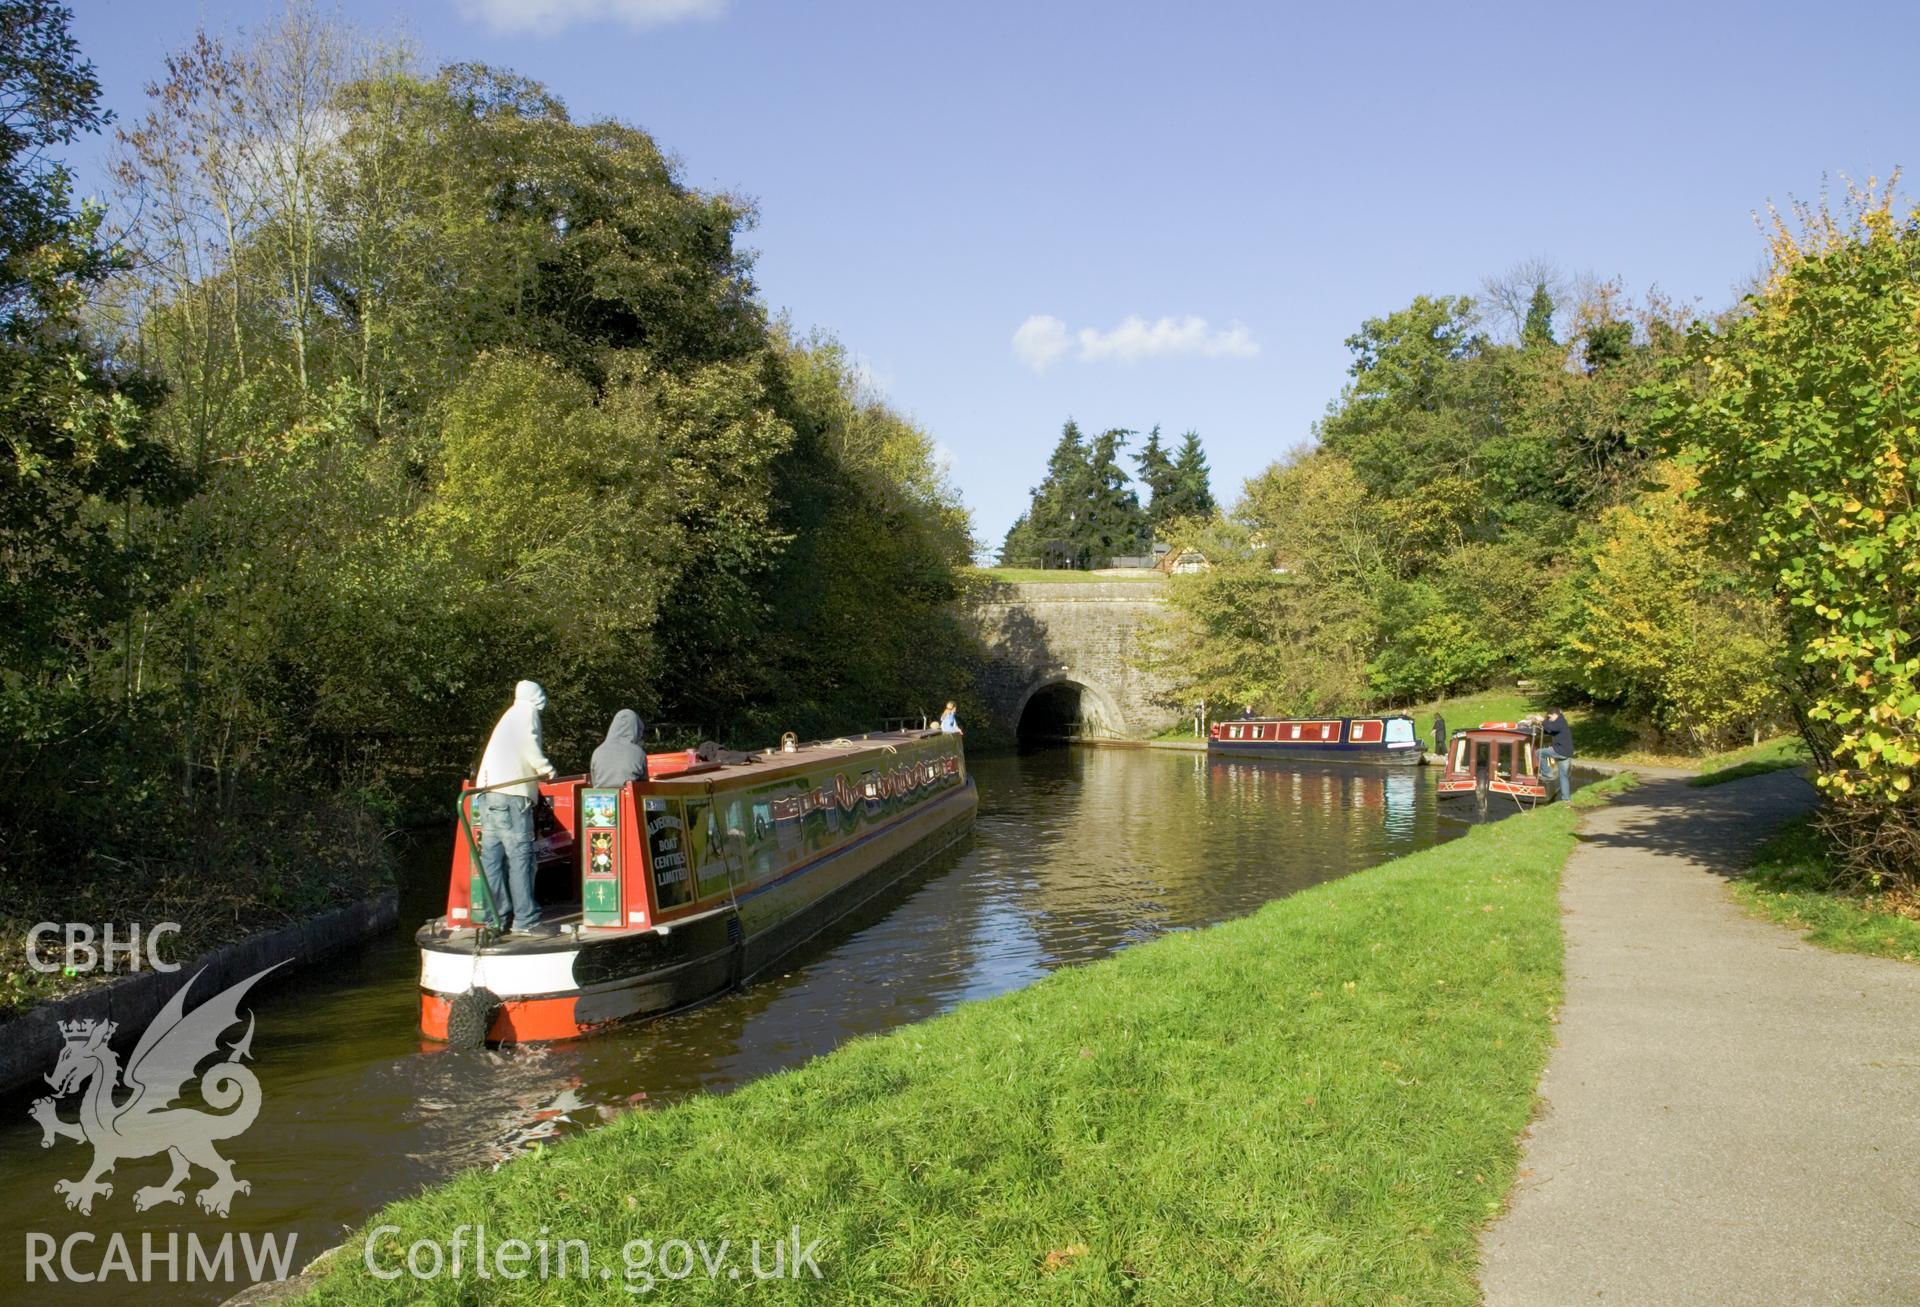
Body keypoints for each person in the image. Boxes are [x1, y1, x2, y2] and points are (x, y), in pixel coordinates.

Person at [474, 680, 557, 936]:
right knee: (521, 857)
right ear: (535, 696)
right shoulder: (526, 712)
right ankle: (526, 921)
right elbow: (528, 744)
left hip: (487, 794)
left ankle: (495, 920)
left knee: (492, 859)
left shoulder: (508, 716)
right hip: (512, 796)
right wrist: (546, 769)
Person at [591, 709, 649, 787]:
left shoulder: (597, 751)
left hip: (599, 797)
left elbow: (594, 780)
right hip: (630, 796)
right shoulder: (638, 752)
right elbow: (644, 784)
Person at [1536, 706, 1575, 802]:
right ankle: (1566, 799)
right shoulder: (1561, 721)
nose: (1549, 719)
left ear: (1554, 715)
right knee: (1563, 776)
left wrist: (1542, 721)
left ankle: (1547, 774)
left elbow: (1552, 728)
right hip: (1567, 753)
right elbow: (1550, 730)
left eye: (1550, 717)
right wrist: (1540, 724)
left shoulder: (1560, 721)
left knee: (1539, 753)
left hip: (1561, 750)